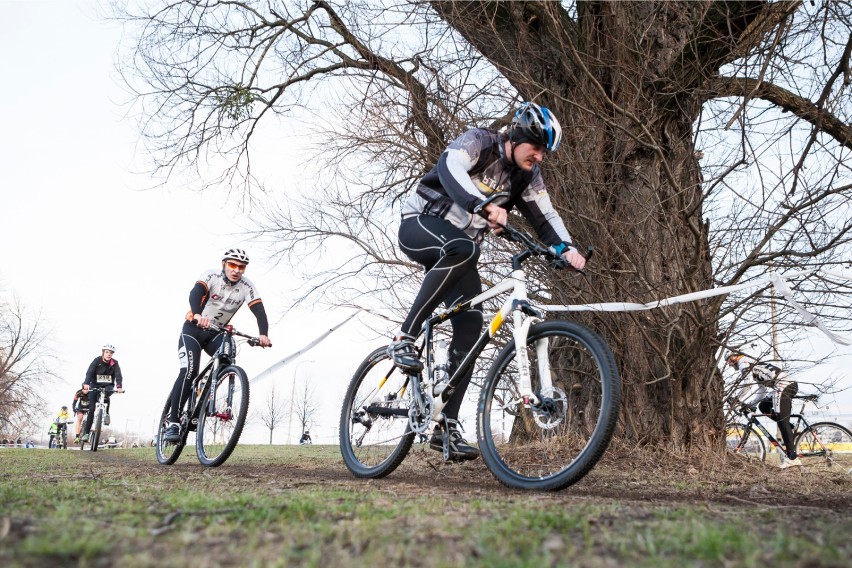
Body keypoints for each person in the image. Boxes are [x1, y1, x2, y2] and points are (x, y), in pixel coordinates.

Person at [389, 101, 586, 461]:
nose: (540, 156)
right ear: (520, 136)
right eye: (537, 147)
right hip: (420, 225)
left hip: (459, 252)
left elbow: (546, 216)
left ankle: (444, 427)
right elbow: (450, 168)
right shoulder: (480, 141)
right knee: (464, 247)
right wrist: (481, 205)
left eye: (545, 152)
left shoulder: (525, 176)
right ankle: (405, 336)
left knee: (472, 328)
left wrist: (567, 248)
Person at [162, 248, 272, 442]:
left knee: (228, 353)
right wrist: (197, 314)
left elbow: (259, 311)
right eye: (232, 265)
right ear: (224, 264)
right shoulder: (211, 275)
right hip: (194, 329)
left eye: (241, 267)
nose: (236, 270)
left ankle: (206, 388)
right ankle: (173, 421)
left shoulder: (247, 286)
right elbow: (195, 293)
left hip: (216, 333)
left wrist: (263, 334)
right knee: (189, 370)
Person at [726, 353, 802, 468]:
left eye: (728, 361)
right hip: (783, 385)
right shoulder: (753, 364)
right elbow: (761, 392)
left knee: (782, 420)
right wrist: (749, 404)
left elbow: (747, 384)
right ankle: (791, 428)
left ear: (734, 356)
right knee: (763, 406)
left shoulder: (743, 362)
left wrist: (736, 399)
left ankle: (792, 458)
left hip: (783, 385)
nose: (729, 364)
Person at [81, 344, 125, 442]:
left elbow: (118, 375)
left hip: (107, 385)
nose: (109, 354)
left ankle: (107, 413)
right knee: (91, 409)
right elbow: (89, 372)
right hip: (94, 385)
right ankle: (86, 433)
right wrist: (86, 384)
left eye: (111, 353)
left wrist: (119, 387)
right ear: (103, 353)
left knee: (107, 393)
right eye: (107, 352)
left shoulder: (115, 363)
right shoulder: (96, 360)